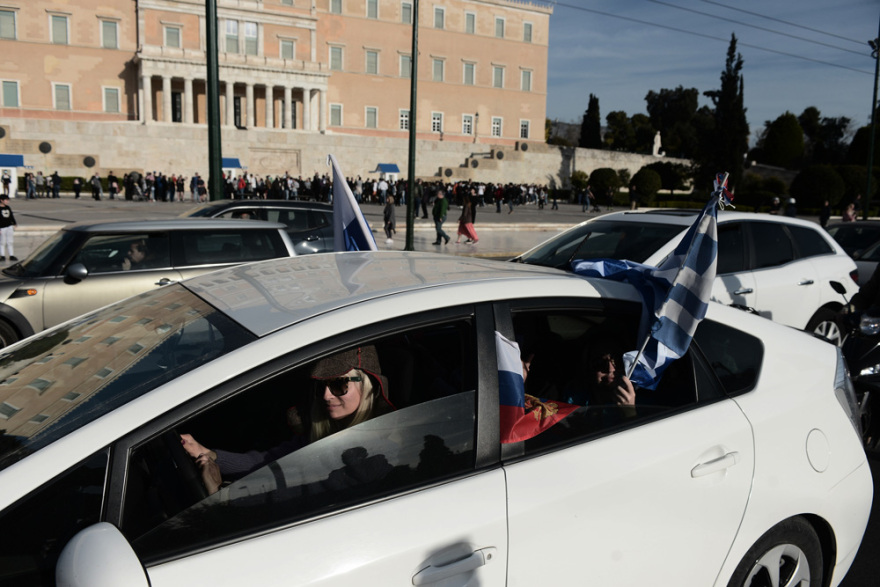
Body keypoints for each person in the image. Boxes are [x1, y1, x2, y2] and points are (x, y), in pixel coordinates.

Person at [180, 345, 393, 494]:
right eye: (321, 387)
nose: (327, 396)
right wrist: (208, 454)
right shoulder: (323, 433)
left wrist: (222, 496)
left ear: (367, 386)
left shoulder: (375, 455)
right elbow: (267, 462)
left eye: (339, 385)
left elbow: (296, 498)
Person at [0, 195, 17, 262]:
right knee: (2, 242)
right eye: (6, 200)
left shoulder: (8, 207)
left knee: (10, 241)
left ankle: (11, 255)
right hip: (2, 228)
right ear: (1, 200)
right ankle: (2, 255)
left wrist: (14, 223)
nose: (7, 201)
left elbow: (11, 216)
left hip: (9, 226)